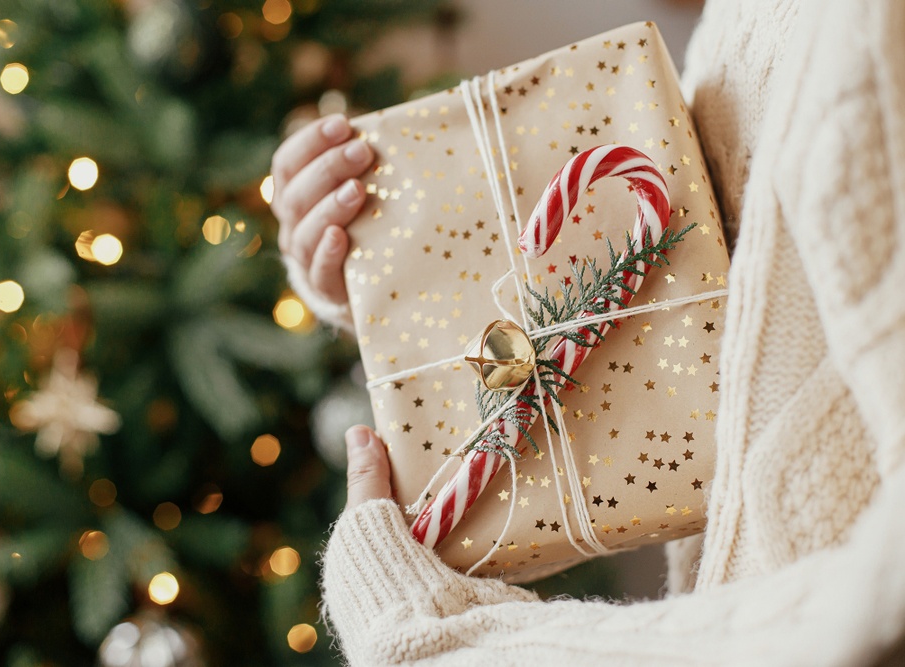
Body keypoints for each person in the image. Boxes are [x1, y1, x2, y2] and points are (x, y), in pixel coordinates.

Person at [271, 0, 905, 663]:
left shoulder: (866, 28)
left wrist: (430, 635)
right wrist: (378, 269)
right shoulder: (735, 24)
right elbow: (726, 287)